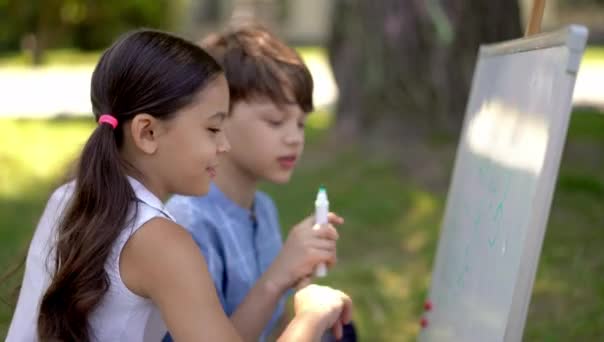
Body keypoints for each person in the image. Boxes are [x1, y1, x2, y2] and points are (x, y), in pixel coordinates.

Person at [5, 29, 352, 342]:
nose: (224, 145)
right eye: (213, 129)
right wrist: (311, 315)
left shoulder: (70, 196)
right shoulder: (162, 241)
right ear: (148, 132)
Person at [165, 25, 357, 342]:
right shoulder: (190, 222)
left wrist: (301, 289)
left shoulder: (262, 209)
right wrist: (279, 275)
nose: (294, 137)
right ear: (218, 117)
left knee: (339, 330)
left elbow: (272, 330)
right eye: (275, 121)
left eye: (301, 123)